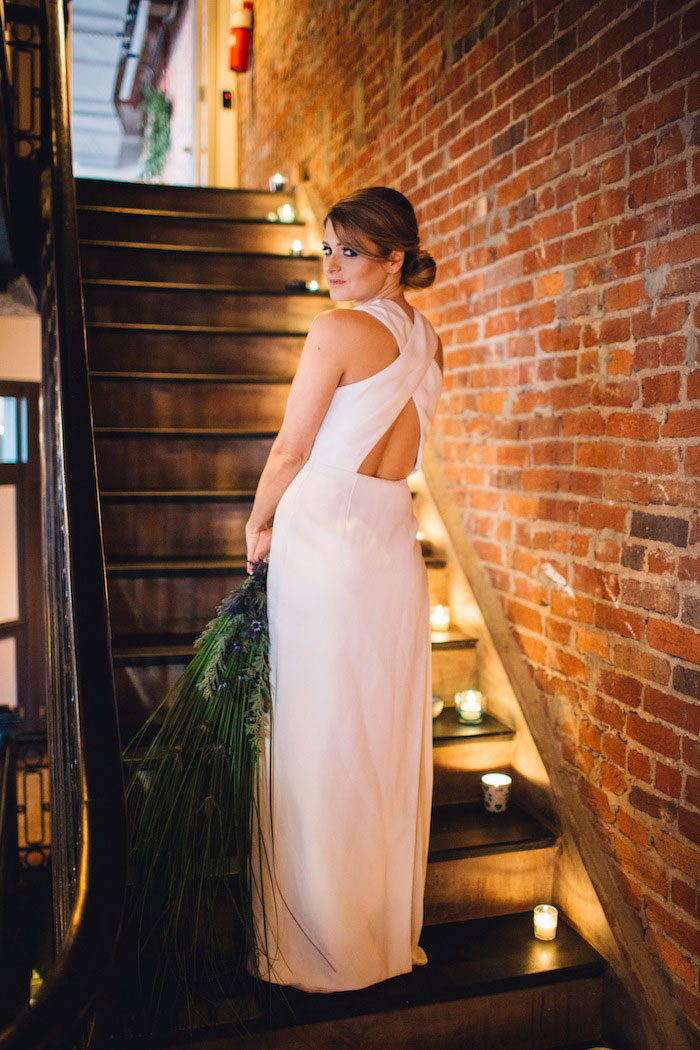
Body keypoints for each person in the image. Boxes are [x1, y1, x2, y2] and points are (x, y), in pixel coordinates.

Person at [244, 186, 443, 994]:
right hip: (391, 538)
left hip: (326, 533)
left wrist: (258, 525)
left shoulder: (337, 331)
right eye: (326, 249)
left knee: (320, 733)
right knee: (376, 732)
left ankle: (319, 945)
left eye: (349, 252)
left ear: (394, 258)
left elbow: (292, 448)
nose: (331, 265)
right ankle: (378, 934)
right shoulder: (430, 338)